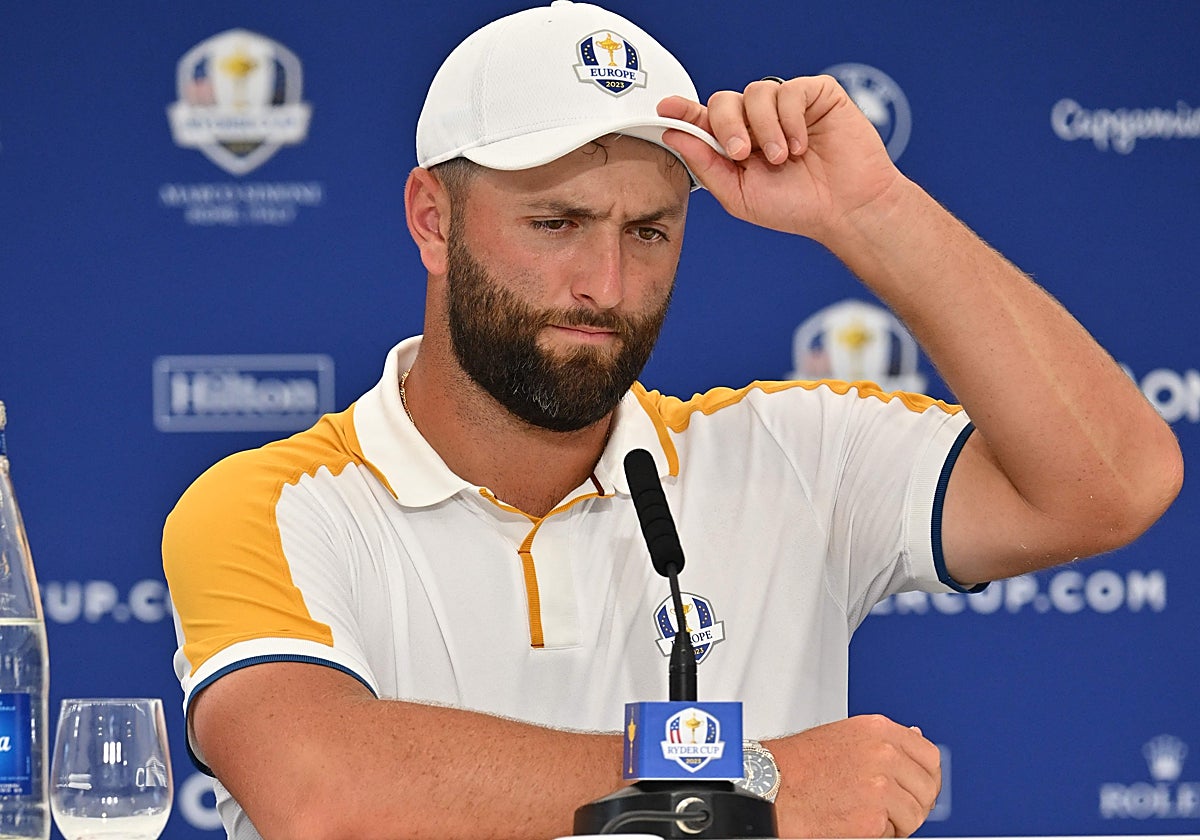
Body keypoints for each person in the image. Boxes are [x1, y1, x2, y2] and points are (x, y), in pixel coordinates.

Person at [162, 2, 1182, 839]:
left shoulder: (796, 454)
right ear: (434, 220)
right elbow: (318, 789)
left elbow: (1114, 484)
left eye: (647, 232)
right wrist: (748, 785)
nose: (605, 284)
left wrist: (870, 209)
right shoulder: (275, 503)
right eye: (555, 223)